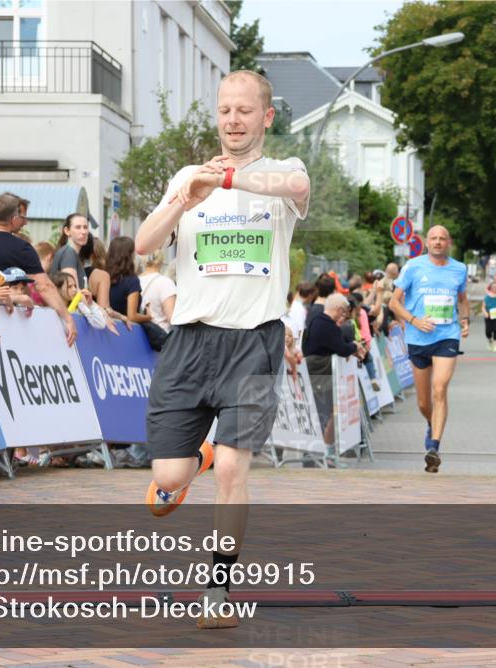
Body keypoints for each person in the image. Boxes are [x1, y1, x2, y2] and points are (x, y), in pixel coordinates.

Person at [133, 69, 310, 628]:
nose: (233, 121)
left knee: (236, 467)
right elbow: (143, 244)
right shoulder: (190, 174)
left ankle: (218, 590)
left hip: (254, 342)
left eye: (244, 110)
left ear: (266, 116)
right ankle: (194, 462)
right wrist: (187, 197)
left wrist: (231, 181)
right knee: (167, 476)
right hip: (190, 340)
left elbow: (296, 192)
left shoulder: (286, 171)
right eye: (225, 110)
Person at [388, 225, 470, 473]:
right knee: (424, 402)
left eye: (442, 238)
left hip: (447, 335)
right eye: (433, 238)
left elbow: (463, 300)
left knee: (440, 388)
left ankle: (433, 446)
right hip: (418, 337)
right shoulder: (413, 266)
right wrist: (414, 320)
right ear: (426, 242)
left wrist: (464, 321)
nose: (437, 242)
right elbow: (394, 302)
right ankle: (430, 422)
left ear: (449, 243)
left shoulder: (460, 269)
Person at [0, 193, 76, 345]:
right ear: (13, 218)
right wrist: (68, 319)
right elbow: (44, 286)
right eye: (22, 218)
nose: (25, 223)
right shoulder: (22, 248)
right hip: (3, 328)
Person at [303, 293, 364, 447]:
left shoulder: (317, 320)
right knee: (328, 413)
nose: (344, 316)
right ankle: (324, 448)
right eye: (344, 311)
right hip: (322, 376)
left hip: (317, 374)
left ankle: (323, 448)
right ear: (337, 309)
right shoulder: (326, 325)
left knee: (325, 413)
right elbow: (342, 349)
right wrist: (355, 346)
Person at [107, 236, 150, 325]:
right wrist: (148, 316)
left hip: (105, 327)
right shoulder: (132, 281)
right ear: (129, 256)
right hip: (126, 330)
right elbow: (132, 316)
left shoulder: (104, 276)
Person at [139, 249, 177, 333]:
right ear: (162, 261)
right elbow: (172, 318)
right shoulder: (165, 283)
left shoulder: (136, 280)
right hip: (161, 337)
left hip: (141, 335)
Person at [51, 213, 89, 289]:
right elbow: (72, 291)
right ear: (67, 231)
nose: (84, 232)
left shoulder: (70, 253)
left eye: (85, 227)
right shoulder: (69, 253)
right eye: (78, 227)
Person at [481, 279, 496, 352]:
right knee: (488, 331)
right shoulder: (487, 297)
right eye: (493, 287)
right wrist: (485, 313)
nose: (495, 288)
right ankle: (490, 341)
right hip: (489, 315)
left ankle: (495, 346)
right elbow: (483, 306)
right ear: (491, 288)